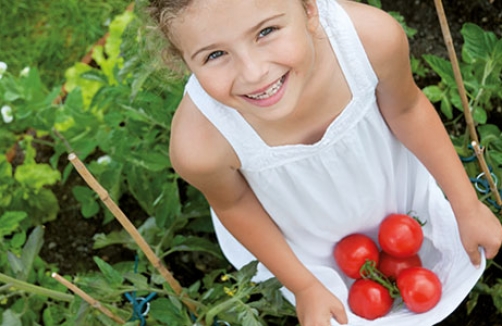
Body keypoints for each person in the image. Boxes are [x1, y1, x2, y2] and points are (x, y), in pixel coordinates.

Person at [147, 0, 502, 325]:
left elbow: (407, 110)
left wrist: (466, 205)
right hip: (301, 237)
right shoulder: (200, 145)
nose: (254, 72)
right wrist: (304, 285)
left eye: (266, 31)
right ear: (183, 62)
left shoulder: (369, 40)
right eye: (215, 55)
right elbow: (236, 203)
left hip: (392, 189)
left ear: (310, 9)